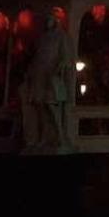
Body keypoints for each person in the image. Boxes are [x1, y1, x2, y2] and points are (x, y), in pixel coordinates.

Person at [20, 11, 75, 151]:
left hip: (52, 77)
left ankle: (61, 137)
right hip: (40, 76)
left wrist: (59, 68)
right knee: (41, 108)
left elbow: (66, 57)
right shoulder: (43, 37)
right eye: (47, 19)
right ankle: (44, 138)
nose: (48, 21)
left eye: (50, 18)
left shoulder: (61, 36)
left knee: (53, 107)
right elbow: (37, 57)